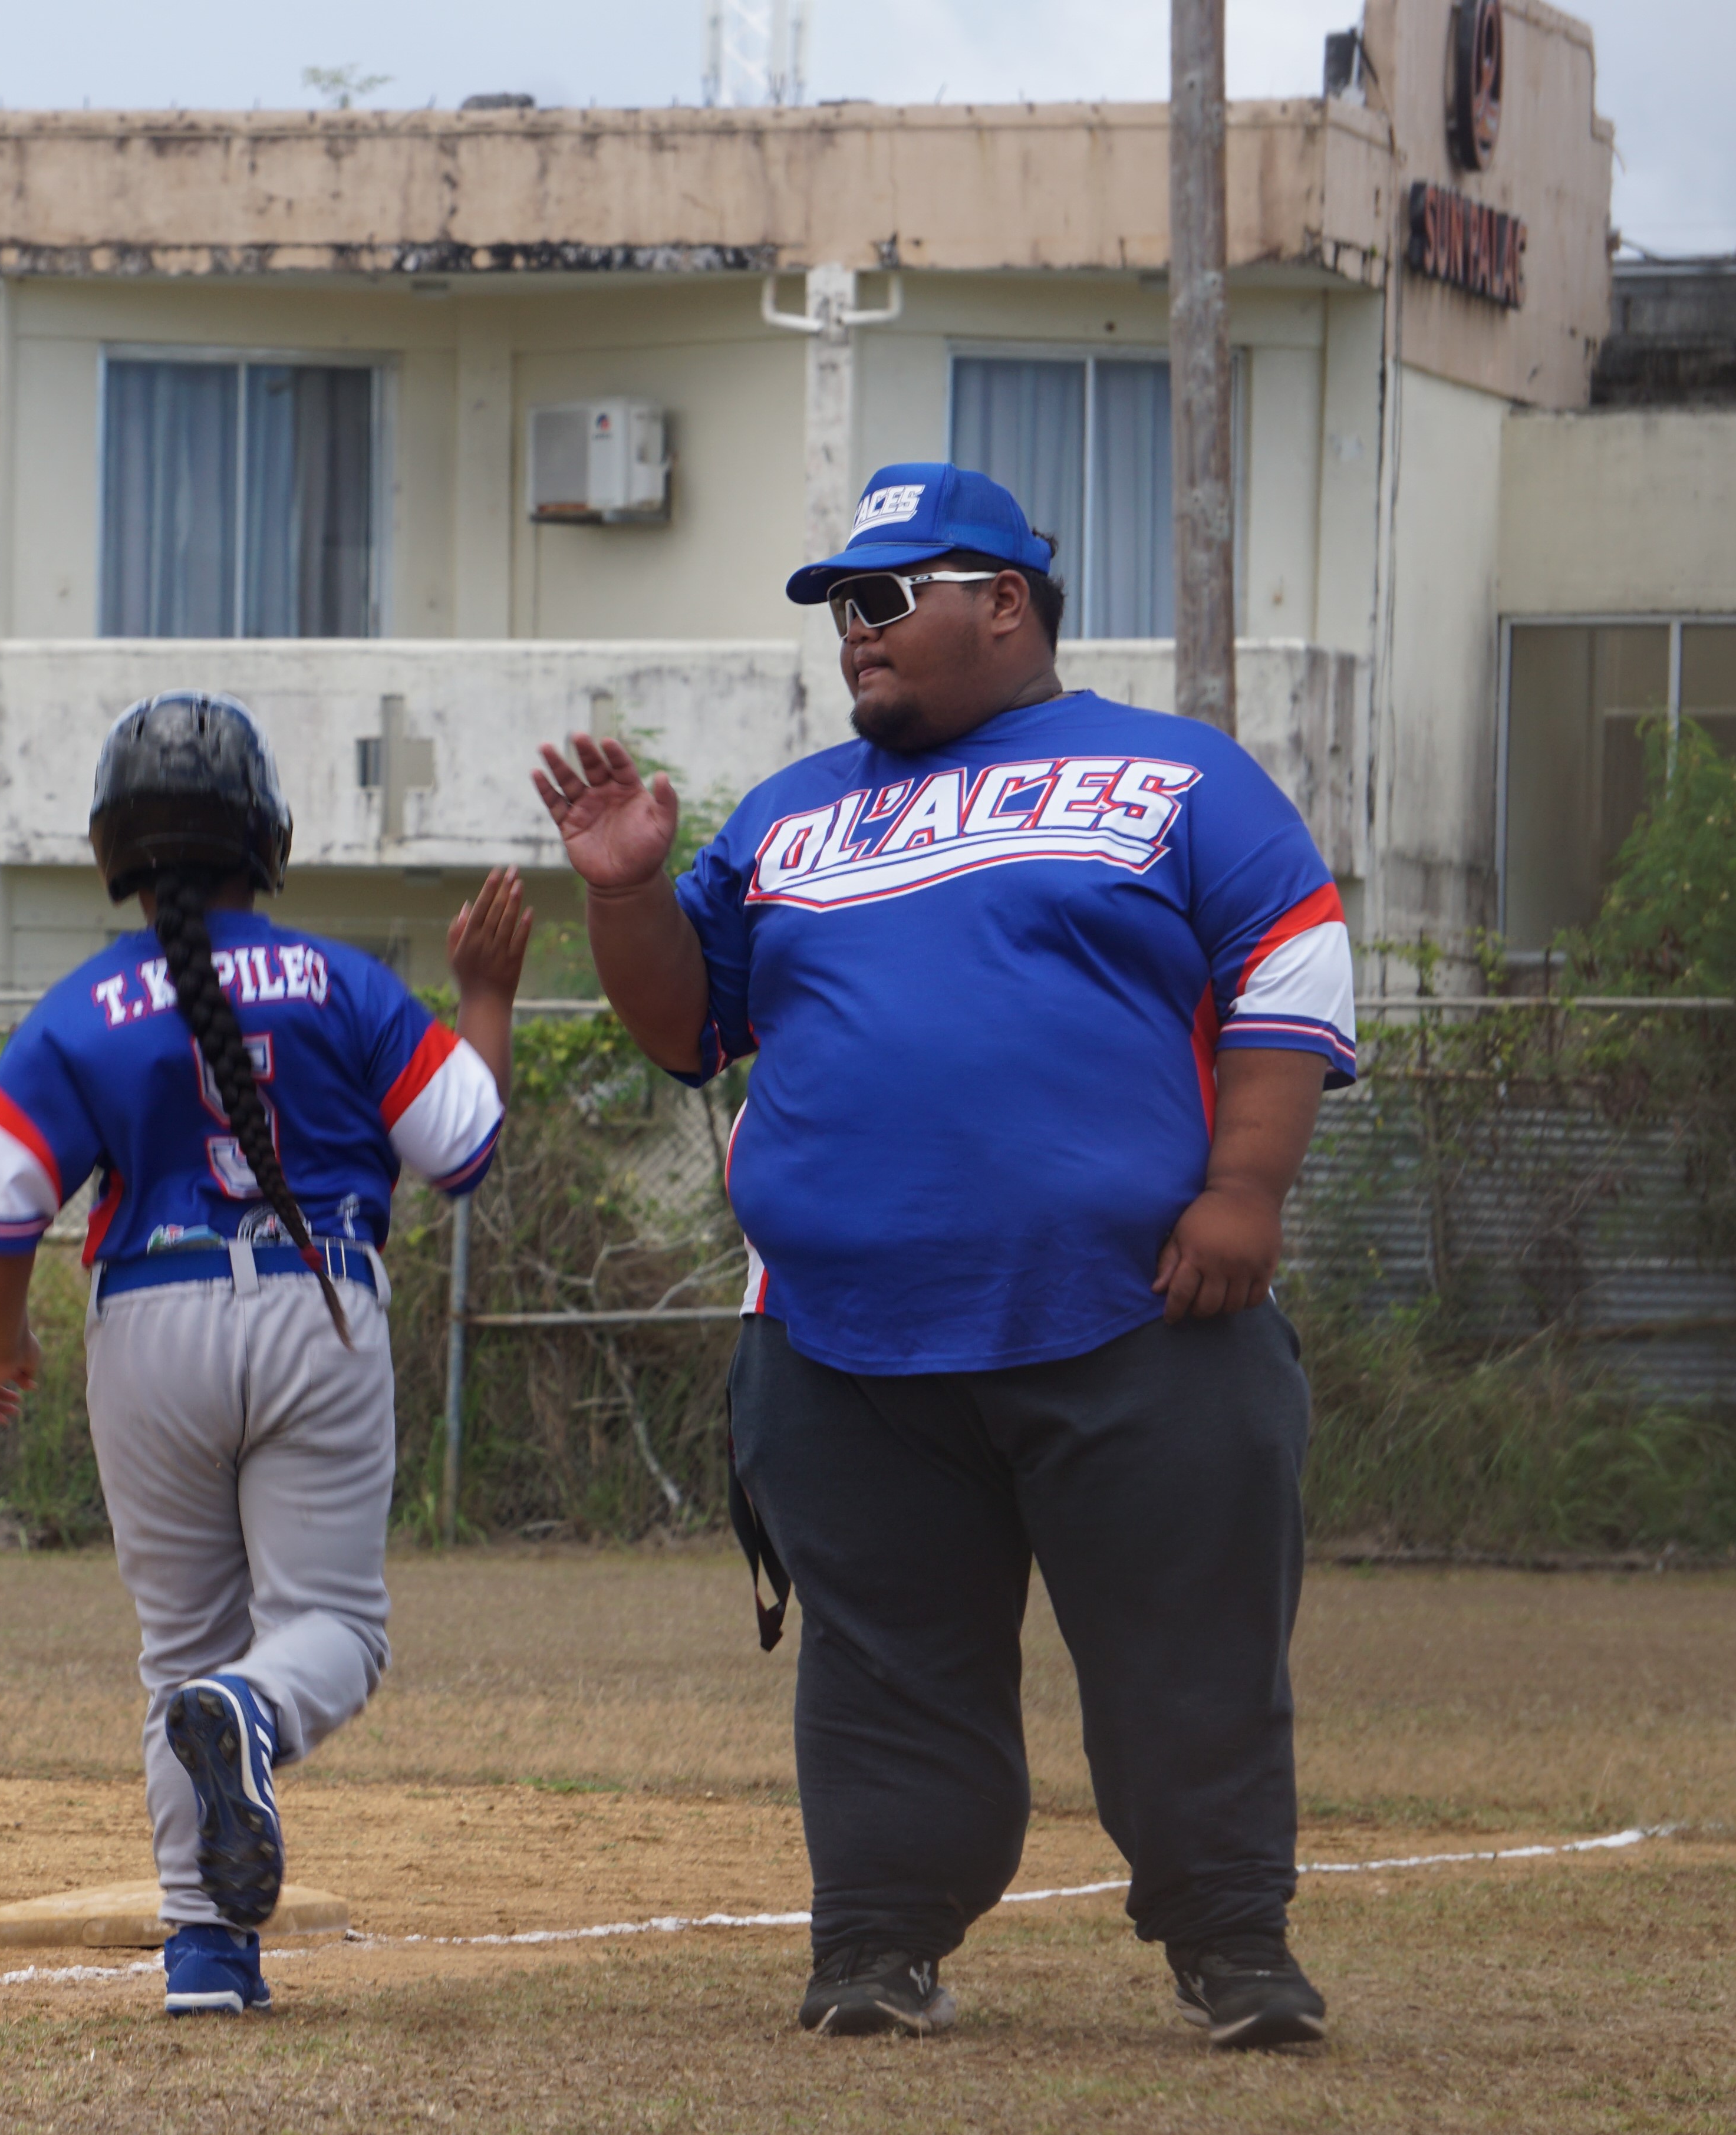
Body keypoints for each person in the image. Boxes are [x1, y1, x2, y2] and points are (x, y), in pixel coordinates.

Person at [530, 461, 1358, 2051]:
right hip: (842, 1345)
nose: (851, 633)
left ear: (1001, 602)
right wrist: (630, 891)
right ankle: (872, 1946)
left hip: (1138, 1319)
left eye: (881, 598)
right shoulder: (786, 815)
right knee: (881, 1668)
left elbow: (1287, 964)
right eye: (839, 606)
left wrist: (1244, 1188)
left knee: (1182, 1653)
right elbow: (682, 1026)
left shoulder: (1173, 777)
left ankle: (1233, 1951)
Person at [0, 691, 529, 2019]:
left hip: (142, 1317)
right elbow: (464, 1149)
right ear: (262, 838)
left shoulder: (77, 1009)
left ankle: (207, 1953)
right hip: (313, 1298)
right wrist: (486, 996)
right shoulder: (340, 981)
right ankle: (252, 1715)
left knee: (178, 1651)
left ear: (113, 845)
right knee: (328, 1629)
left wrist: (3, 1342)